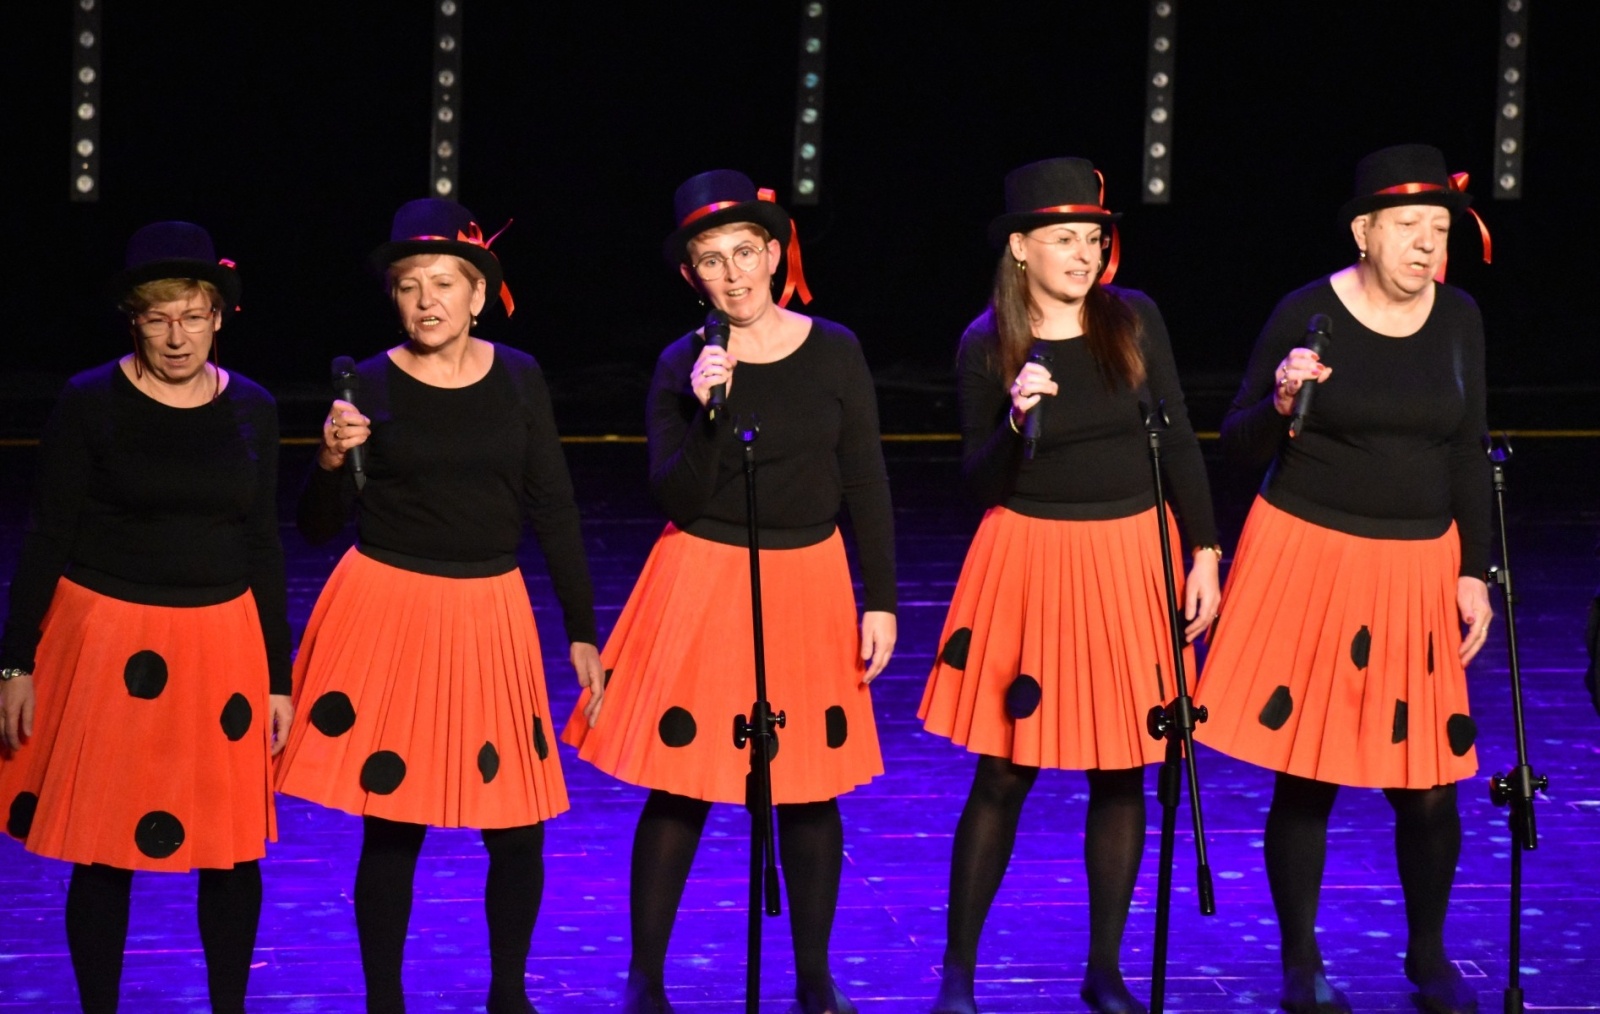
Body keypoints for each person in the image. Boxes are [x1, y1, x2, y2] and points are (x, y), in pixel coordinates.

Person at [561, 170, 896, 1014]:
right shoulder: (682, 363)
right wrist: (709, 409)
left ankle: (814, 979)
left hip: (808, 577)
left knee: (808, 786)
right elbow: (677, 496)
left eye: (746, 252)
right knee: (682, 783)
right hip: (705, 575)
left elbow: (865, 476)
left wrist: (883, 598)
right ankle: (645, 979)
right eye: (712, 260)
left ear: (776, 254)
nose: (733, 273)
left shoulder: (836, 349)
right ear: (692, 276)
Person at [273, 198, 603, 1014]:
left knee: (517, 822)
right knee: (394, 821)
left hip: (490, 606)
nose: (427, 300)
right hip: (392, 606)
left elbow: (553, 505)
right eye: (409, 285)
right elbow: (316, 527)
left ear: (478, 294)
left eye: (444, 283)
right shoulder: (368, 382)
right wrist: (327, 459)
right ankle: (384, 1000)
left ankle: (508, 996)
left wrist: (581, 629)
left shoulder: (519, 376)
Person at [1192, 143, 1493, 1014]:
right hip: (1313, 557)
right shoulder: (1306, 312)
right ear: (1364, 231)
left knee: (1428, 782)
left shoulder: (1460, 318)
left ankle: (1428, 956)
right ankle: (1301, 962)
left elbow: (1467, 447)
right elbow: (1237, 443)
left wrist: (1474, 570)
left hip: (1418, 564)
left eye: (1439, 229)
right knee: (1309, 771)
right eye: (1408, 226)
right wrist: (1284, 404)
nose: (1426, 244)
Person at [919, 157, 1221, 1014]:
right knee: (1005, 770)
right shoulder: (987, 343)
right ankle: (958, 974)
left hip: (1132, 553)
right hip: (1032, 558)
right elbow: (978, 482)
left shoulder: (1134, 319)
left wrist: (1204, 549)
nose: (1084, 254)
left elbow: (1178, 436)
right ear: (1021, 248)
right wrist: (1017, 420)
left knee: (1122, 768)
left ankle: (1104, 970)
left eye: (1092, 237)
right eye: (1063, 238)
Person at [0, 222, 292, 1013]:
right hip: (111, 637)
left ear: (218, 317)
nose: (176, 336)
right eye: (159, 318)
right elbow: (48, 535)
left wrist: (279, 678)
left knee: (230, 848)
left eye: (192, 316)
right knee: (103, 848)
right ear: (134, 320)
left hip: (221, 641)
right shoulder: (90, 400)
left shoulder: (254, 408)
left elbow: (263, 543)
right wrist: (14, 662)